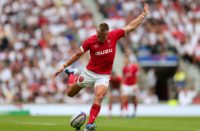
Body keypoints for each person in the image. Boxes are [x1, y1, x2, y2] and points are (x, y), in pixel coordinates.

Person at [54, 3, 150, 131]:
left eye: (102, 36)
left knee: (99, 96)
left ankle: (89, 125)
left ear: (107, 34)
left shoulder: (114, 35)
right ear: (96, 32)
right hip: (89, 73)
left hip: (103, 76)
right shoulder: (90, 40)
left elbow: (130, 27)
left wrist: (143, 15)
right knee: (70, 93)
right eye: (98, 35)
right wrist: (65, 65)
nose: (99, 38)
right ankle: (71, 73)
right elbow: (78, 53)